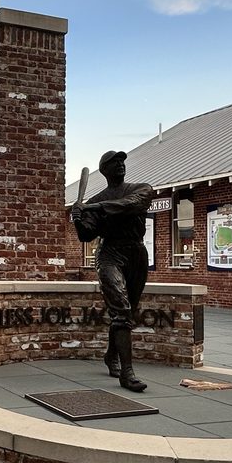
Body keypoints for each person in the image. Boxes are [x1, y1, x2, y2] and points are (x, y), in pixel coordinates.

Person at [71, 150, 154, 393]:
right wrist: (78, 216)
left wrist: (92, 207)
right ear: (104, 170)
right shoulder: (96, 199)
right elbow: (87, 234)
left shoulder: (141, 188)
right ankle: (127, 374)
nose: (120, 165)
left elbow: (129, 206)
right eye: (114, 163)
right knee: (122, 310)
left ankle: (111, 355)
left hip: (136, 254)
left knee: (127, 313)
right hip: (109, 254)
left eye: (122, 162)